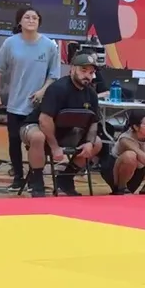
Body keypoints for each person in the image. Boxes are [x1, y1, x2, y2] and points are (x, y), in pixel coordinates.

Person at [0, 6, 61, 193]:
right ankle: (17, 177)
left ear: (39, 22)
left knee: (36, 141)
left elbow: (53, 75)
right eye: (27, 17)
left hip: (38, 105)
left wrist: (42, 91)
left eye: (34, 18)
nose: (31, 20)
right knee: (14, 141)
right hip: (16, 103)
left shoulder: (49, 46)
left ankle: (34, 178)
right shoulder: (10, 43)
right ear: (20, 21)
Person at [18, 52, 102, 197]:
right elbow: (44, 120)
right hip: (36, 126)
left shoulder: (91, 94)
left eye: (91, 72)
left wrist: (89, 142)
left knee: (97, 143)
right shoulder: (58, 88)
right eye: (83, 70)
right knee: (38, 137)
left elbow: (94, 122)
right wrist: (55, 147)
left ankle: (65, 178)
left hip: (65, 131)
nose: (87, 75)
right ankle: (37, 181)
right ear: (72, 69)